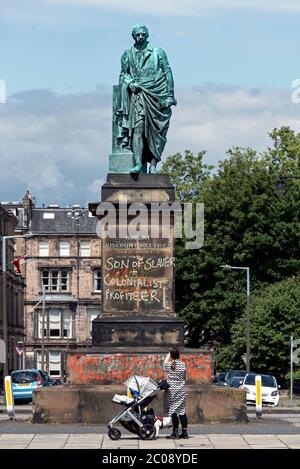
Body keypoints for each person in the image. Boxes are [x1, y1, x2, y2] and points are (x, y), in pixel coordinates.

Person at [116, 24, 177, 174]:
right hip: (139, 95)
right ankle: (137, 164)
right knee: (138, 129)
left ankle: (154, 165)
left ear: (147, 35)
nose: (141, 37)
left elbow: (168, 72)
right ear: (134, 36)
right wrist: (130, 83)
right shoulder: (127, 54)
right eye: (138, 35)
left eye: (143, 34)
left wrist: (169, 95)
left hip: (158, 96)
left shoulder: (158, 52)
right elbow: (123, 74)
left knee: (158, 132)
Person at [163, 346, 188, 439]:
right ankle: (184, 432)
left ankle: (175, 432)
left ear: (171, 355)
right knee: (182, 411)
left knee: (173, 411)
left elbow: (164, 362)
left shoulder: (168, 365)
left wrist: (169, 353)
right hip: (181, 390)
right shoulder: (183, 364)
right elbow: (185, 377)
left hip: (172, 391)